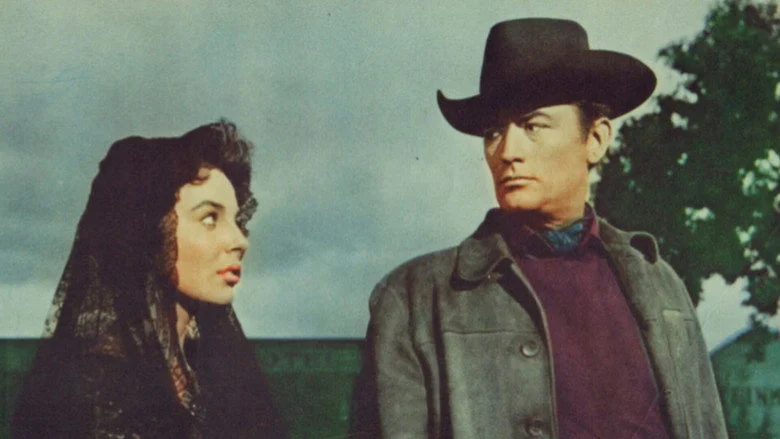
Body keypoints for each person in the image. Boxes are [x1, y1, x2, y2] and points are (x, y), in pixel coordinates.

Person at [355, 19, 728, 438]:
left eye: (533, 126)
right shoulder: (413, 300)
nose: (507, 151)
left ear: (595, 139)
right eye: (494, 132)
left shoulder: (661, 285)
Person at [12, 120, 286, 438]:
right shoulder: (100, 388)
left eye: (237, 221)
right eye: (210, 218)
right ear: (149, 234)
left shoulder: (204, 368)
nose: (240, 241)